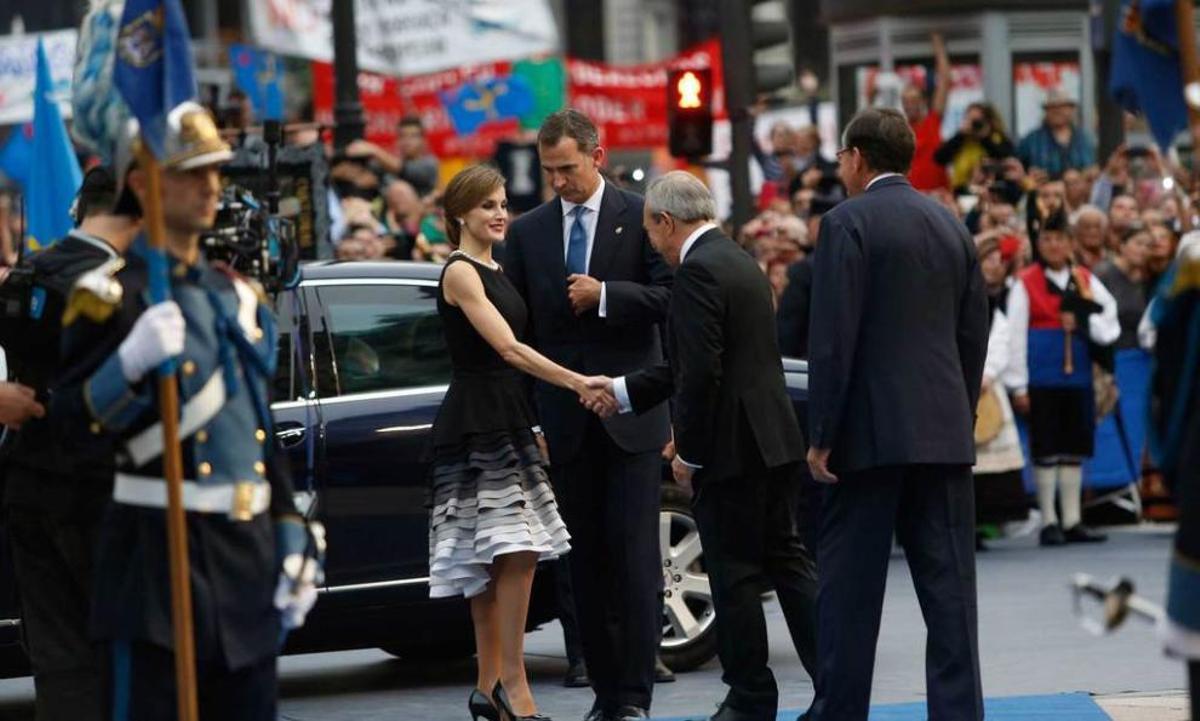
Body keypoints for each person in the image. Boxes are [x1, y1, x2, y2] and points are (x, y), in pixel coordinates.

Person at [52, 103, 322, 720]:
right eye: (189, 172)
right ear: (143, 182)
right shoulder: (110, 298)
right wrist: (128, 366)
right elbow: (69, 432)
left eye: (215, 172)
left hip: (245, 562)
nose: (210, 187)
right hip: (156, 566)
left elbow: (258, 436)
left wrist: (293, 539)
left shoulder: (238, 296)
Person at [587, 171, 817, 721]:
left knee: (734, 575)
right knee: (788, 565)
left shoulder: (694, 273)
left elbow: (701, 377)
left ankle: (750, 697)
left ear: (666, 221)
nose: (652, 245)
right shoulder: (738, 261)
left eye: (650, 233)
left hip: (733, 453)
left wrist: (689, 453)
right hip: (774, 440)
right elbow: (705, 362)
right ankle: (837, 683)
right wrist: (621, 391)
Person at [806, 107, 989, 721]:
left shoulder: (845, 223)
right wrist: (956, 416)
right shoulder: (951, 225)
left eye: (841, 156)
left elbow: (835, 337)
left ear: (857, 157)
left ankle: (841, 714)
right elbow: (973, 334)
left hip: (867, 439)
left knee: (850, 596)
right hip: (941, 434)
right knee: (951, 596)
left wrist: (823, 434)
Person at [502, 109, 672, 721]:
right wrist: (537, 421)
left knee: (634, 560)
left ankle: (635, 695)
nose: (558, 181)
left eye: (568, 168)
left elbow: (670, 301)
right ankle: (604, 692)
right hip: (565, 424)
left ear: (597, 157)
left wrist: (606, 295)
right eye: (549, 171)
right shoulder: (528, 234)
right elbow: (521, 336)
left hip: (631, 416)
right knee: (586, 565)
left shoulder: (640, 216)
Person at [428, 164, 596, 721]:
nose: (499, 213)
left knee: (501, 556)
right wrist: (576, 382)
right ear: (459, 216)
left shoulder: (494, 267)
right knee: (512, 552)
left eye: (502, 203)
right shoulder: (459, 272)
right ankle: (512, 686)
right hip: (478, 422)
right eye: (486, 206)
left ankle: (487, 685)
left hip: (506, 417)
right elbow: (509, 349)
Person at [0, 165, 139, 721]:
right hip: (99, 485)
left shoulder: (27, 272)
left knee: (59, 657)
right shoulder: (117, 279)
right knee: (126, 651)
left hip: (27, 478)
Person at [1005, 208, 1120, 546]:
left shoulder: (1084, 280)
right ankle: (1049, 520)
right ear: (1039, 243)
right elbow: (1014, 337)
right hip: (1042, 376)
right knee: (1046, 447)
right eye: (1047, 240)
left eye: (1059, 240)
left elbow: (1108, 322)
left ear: (1070, 243)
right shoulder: (1025, 282)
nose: (1053, 246)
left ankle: (1072, 519)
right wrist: (1019, 385)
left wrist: (1083, 323)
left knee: (1073, 446)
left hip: (1077, 377)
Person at [972, 236, 1028, 551]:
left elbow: (1003, 338)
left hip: (989, 386)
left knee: (993, 460)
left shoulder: (1002, 299)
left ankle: (988, 521)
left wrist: (989, 373)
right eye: (988, 259)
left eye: (999, 259)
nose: (994, 265)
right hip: (964, 385)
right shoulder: (964, 295)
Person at [902, 32, 951, 192]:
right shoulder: (900, 130)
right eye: (906, 101)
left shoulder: (932, 121)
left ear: (922, 101)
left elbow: (944, 80)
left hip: (938, 195)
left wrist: (938, 46)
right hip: (911, 198)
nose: (910, 106)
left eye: (914, 100)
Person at [934, 101, 1014, 192]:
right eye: (969, 119)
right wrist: (961, 135)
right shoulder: (960, 140)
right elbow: (939, 158)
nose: (974, 125)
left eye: (977, 121)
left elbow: (1007, 158)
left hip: (991, 191)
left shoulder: (995, 138)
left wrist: (984, 137)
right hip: (961, 191)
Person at [1016, 90, 1097, 180]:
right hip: (1044, 192)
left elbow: (1093, 169)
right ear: (1046, 111)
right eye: (1052, 107)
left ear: (1071, 109)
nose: (1057, 111)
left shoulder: (1086, 139)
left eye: (1062, 106)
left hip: (1080, 192)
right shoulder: (1030, 141)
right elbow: (1019, 174)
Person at [1094, 225, 1151, 350]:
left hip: (1139, 351)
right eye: (1139, 243)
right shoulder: (1103, 274)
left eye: (1148, 246)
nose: (1143, 250)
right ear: (1122, 245)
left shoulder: (1148, 279)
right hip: (1110, 352)